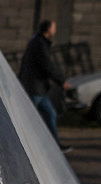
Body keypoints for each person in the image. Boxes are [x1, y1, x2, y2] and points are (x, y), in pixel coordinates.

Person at [18, 19, 72, 151]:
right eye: (54, 28)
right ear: (48, 30)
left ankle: (55, 146)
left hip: (38, 87)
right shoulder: (40, 44)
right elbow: (48, 66)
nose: (55, 30)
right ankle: (20, 145)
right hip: (34, 87)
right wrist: (61, 81)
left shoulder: (38, 41)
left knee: (50, 115)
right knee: (26, 118)